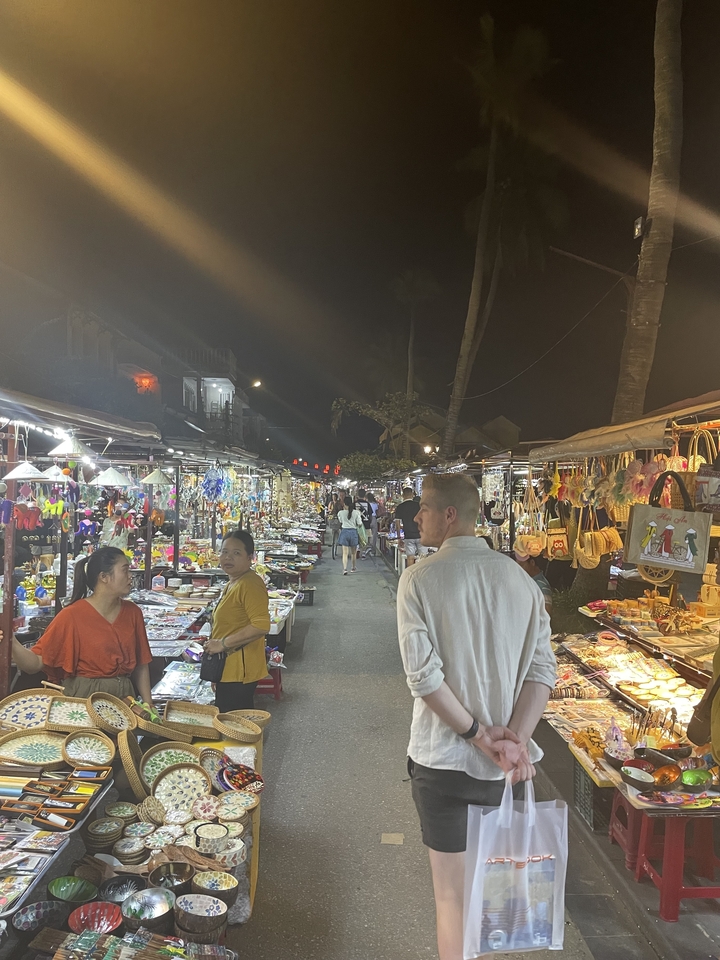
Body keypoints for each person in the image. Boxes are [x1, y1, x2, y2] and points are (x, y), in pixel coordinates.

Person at [396, 473, 556, 960]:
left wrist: (476, 735)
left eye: (424, 508)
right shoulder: (520, 581)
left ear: (450, 516)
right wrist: (514, 743)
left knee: (453, 898)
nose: (416, 516)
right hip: (505, 772)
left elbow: (423, 677)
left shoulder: (419, 578)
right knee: (493, 898)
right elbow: (542, 668)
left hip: (442, 761)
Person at [6, 546, 154, 702]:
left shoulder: (133, 612)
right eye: (125, 570)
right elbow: (35, 663)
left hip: (124, 698)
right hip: (84, 699)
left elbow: (141, 664)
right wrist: (12, 641)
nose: (131, 576)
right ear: (104, 577)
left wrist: (148, 704)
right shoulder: (71, 616)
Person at [203, 529, 271, 711]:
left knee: (233, 727)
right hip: (228, 669)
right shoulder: (234, 581)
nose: (228, 557)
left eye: (236, 553)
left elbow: (261, 625)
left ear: (250, 557)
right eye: (224, 552)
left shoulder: (250, 583)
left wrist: (222, 644)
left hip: (240, 671)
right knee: (232, 724)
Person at [394, 487, 427, 565]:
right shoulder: (418, 505)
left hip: (408, 535)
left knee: (410, 557)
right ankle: (422, 575)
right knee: (423, 557)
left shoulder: (400, 507)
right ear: (412, 495)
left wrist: (399, 538)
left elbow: (397, 524)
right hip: (420, 535)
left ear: (403, 495)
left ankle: (410, 575)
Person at [514, 550, 553, 616]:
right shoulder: (529, 581)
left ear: (532, 562)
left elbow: (546, 612)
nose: (519, 569)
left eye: (521, 565)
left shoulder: (541, 585)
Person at [337, 496, 363, 575]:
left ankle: (345, 569)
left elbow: (341, 521)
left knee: (345, 553)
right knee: (353, 553)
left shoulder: (340, 513)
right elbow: (359, 523)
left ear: (344, 503)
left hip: (344, 532)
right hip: (353, 532)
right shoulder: (356, 512)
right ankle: (353, 567)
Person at [361, 492, 379, 559]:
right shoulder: (375, 504)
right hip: (374, 519)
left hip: (367, 519)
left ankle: (365, 550)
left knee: (366, 535)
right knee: (374, 536)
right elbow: (377, 512)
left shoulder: (366, 504)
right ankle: (373, 551)